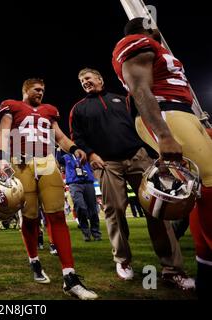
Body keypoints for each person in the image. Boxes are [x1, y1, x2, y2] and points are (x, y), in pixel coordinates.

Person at [112, 17, 212, 298]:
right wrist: (163, 133)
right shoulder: (135, 42)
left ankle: (205, 269)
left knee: (199, 192)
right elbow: (140, 88)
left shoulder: (157, 48)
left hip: (183, 112)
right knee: (210, 182)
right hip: (165, 111)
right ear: (143, 28)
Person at [70, 67, 194, 289]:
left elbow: (143, 124)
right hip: (107, 162)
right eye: (80, 81)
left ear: (99, 78)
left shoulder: (123, 99)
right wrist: (90, 154)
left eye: (87, 78)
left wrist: (151, 151)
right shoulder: (79, 109)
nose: (84, 82)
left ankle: (172, 269)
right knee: (115, 210)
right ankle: (123, 260)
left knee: (157, 209)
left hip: (138, 157)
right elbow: (76, 137)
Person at [0, 78, 98, 300]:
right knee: (30, 217)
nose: (41, 92)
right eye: (37, 89)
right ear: (25, 90)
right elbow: (4, 131)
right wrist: (1, 158)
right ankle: (34, 260)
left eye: (43, 89)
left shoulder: (49, 110)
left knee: (57, 215)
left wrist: (74, 148)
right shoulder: (12, 105)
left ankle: (70, 276)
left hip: (47, 161)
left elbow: (59, 136)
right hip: (21, 161)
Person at [58, 150, 101, 241]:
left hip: (88, 182)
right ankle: (86, 233)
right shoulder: (66, 157)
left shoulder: (85, 154)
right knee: (80, 207)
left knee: (93, 208)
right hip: (74, 183)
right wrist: (57, 148)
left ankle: (96, 233)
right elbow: (58, 159)